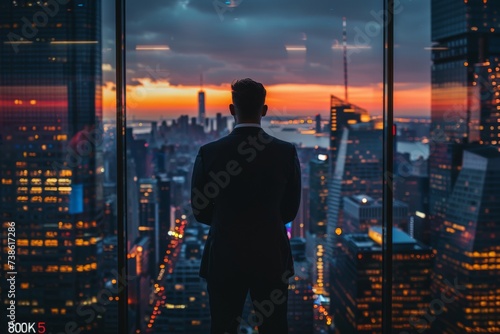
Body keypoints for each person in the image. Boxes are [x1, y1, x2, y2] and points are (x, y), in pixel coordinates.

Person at [191, 78, 301, 334]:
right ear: (264, 110)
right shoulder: (285, 152)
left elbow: (200, 210)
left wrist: (226, 222)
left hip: (225, 257)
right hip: (271, 257)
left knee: (223, 327)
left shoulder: (209, 152)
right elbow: (290, 210)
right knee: (274, 328)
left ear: (232, 109)